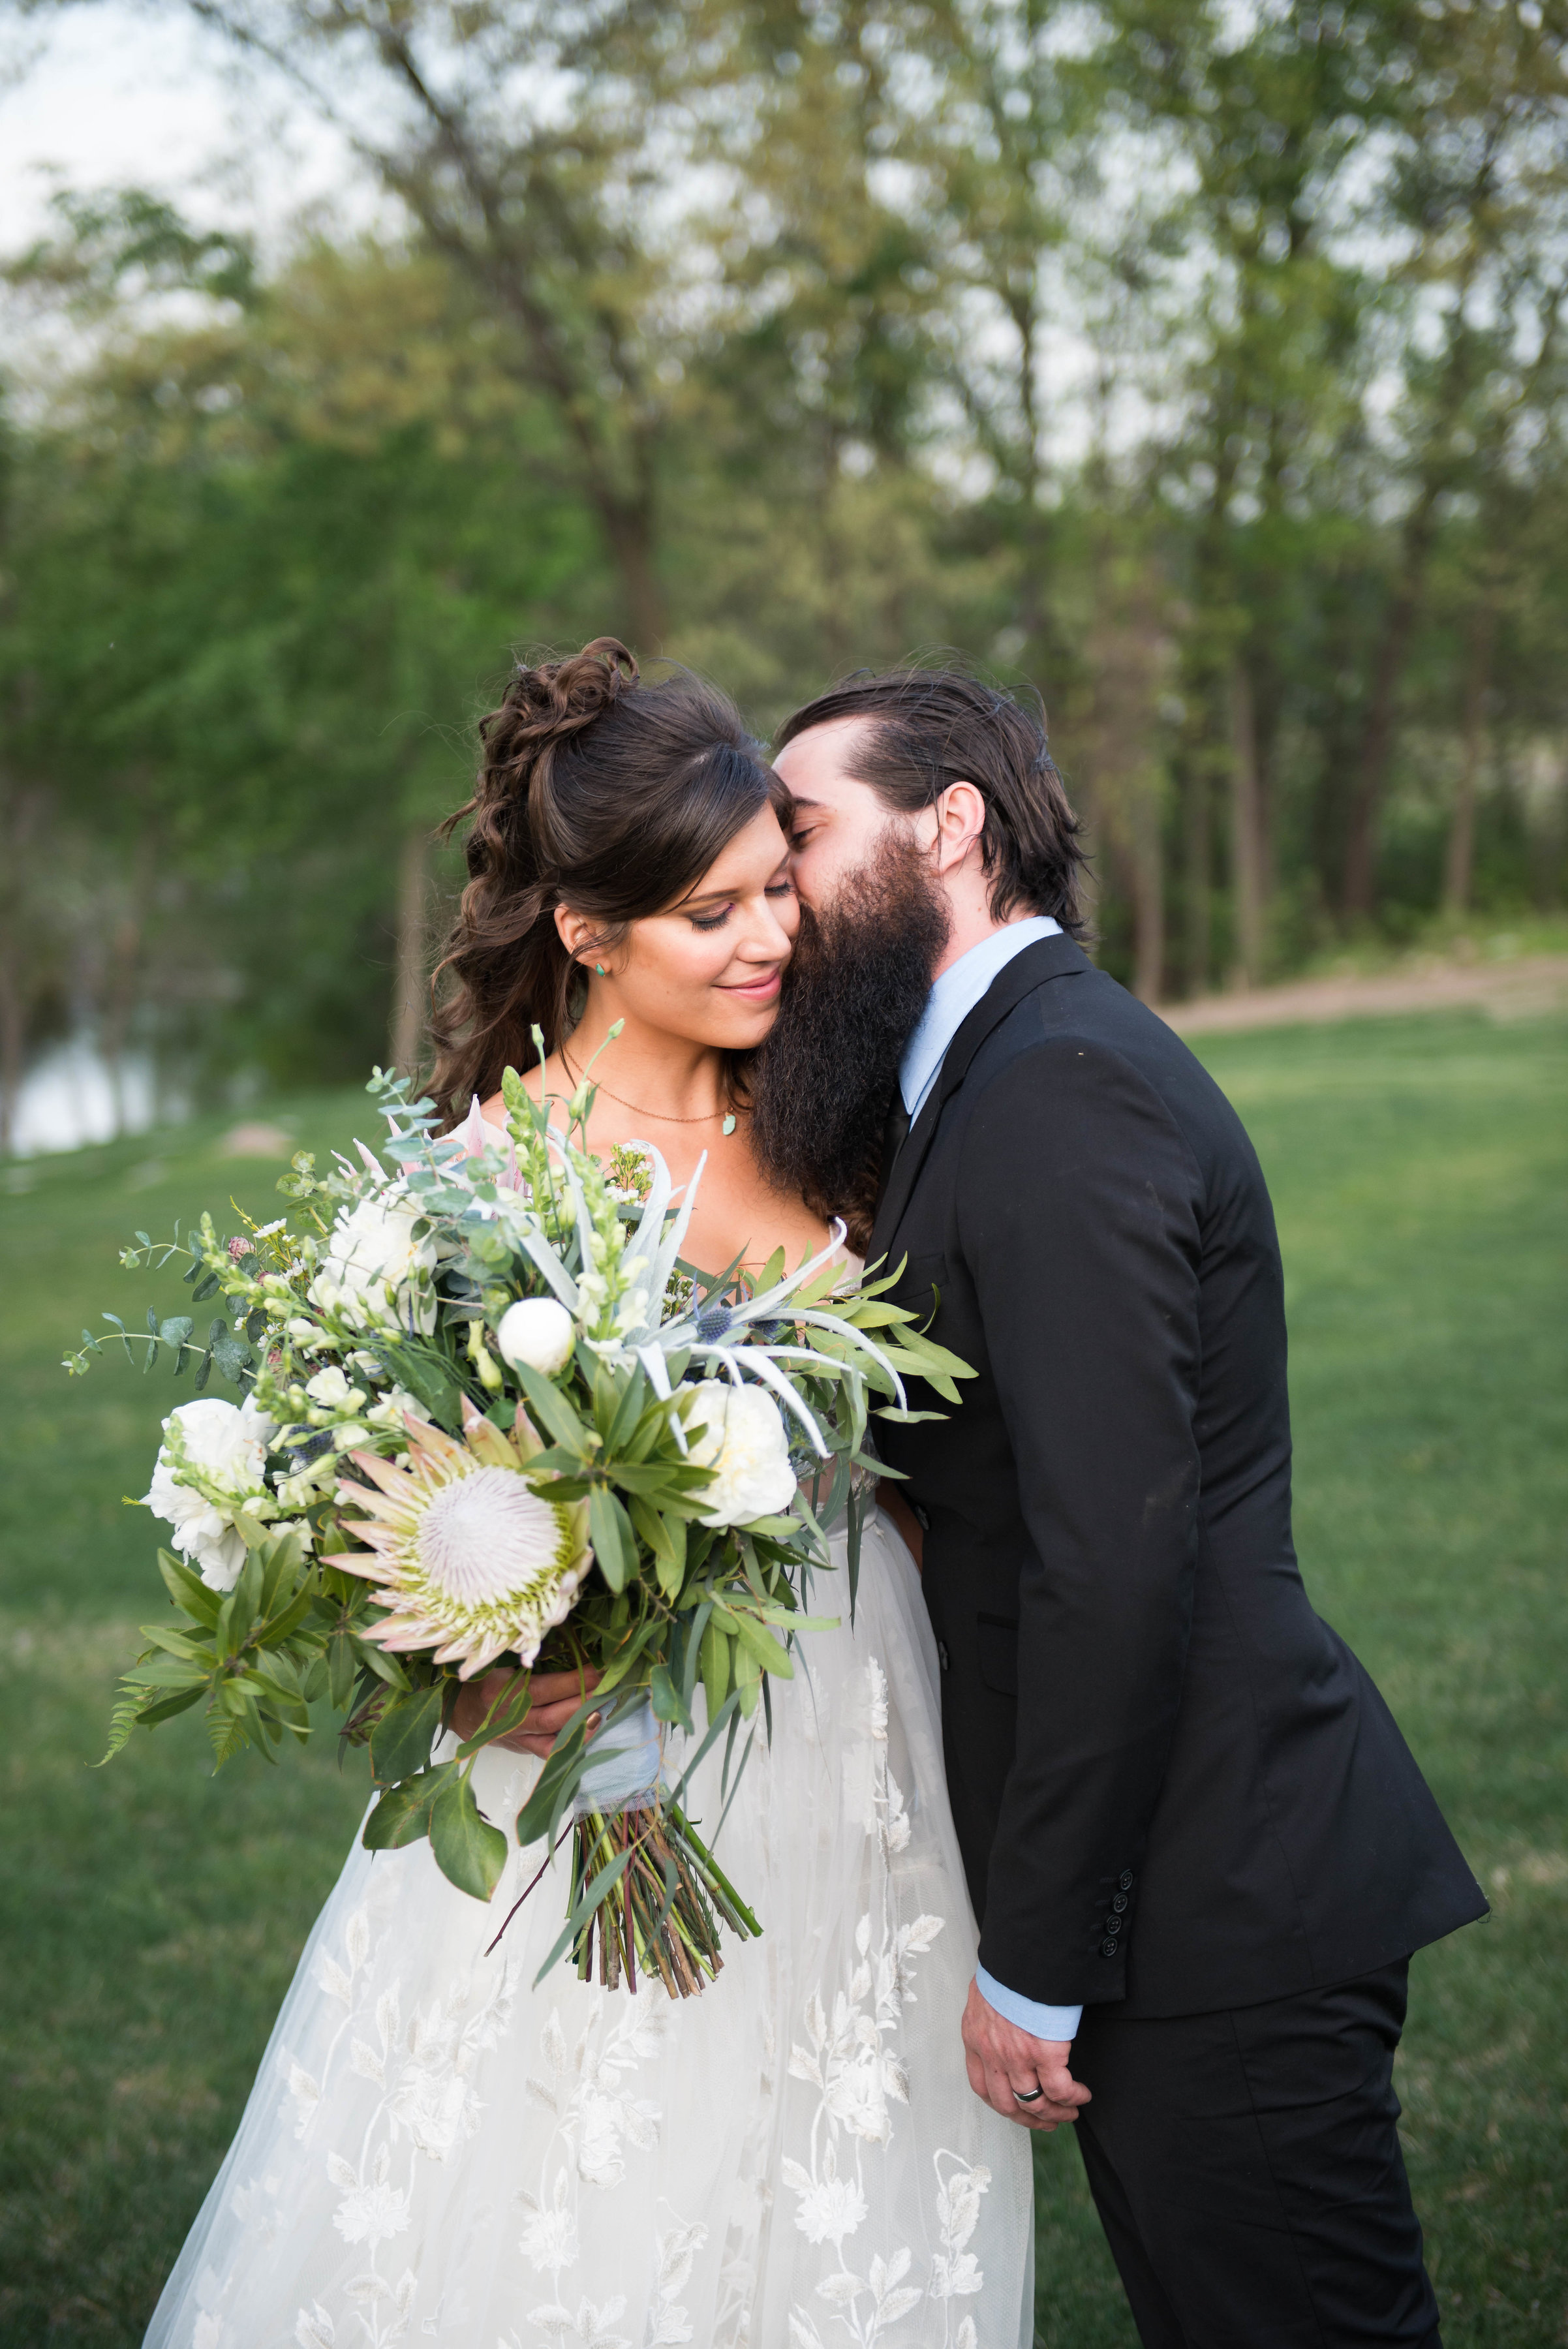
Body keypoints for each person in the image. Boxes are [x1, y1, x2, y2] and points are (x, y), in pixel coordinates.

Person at [142, 641, 1034, 2349]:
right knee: (585, 2190)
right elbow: (370, 1508)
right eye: (713, 914)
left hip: (859, 1745)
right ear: (585, 932)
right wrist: (479, 1662)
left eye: (777, 888)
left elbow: (917, 1463)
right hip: (611, 1776)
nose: (771, 937)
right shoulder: (478, 1189)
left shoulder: (838, 1128)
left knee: (832, 2185)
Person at [760, 664, 1489, 2349]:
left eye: (801, 831)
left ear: (952, 827)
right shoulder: (979, 1077)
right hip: (1177, 1886)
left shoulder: (1058, 1089)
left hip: (1216, 1896)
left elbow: (1114, 1558)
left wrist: (1033, 1957)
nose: (776, 879)